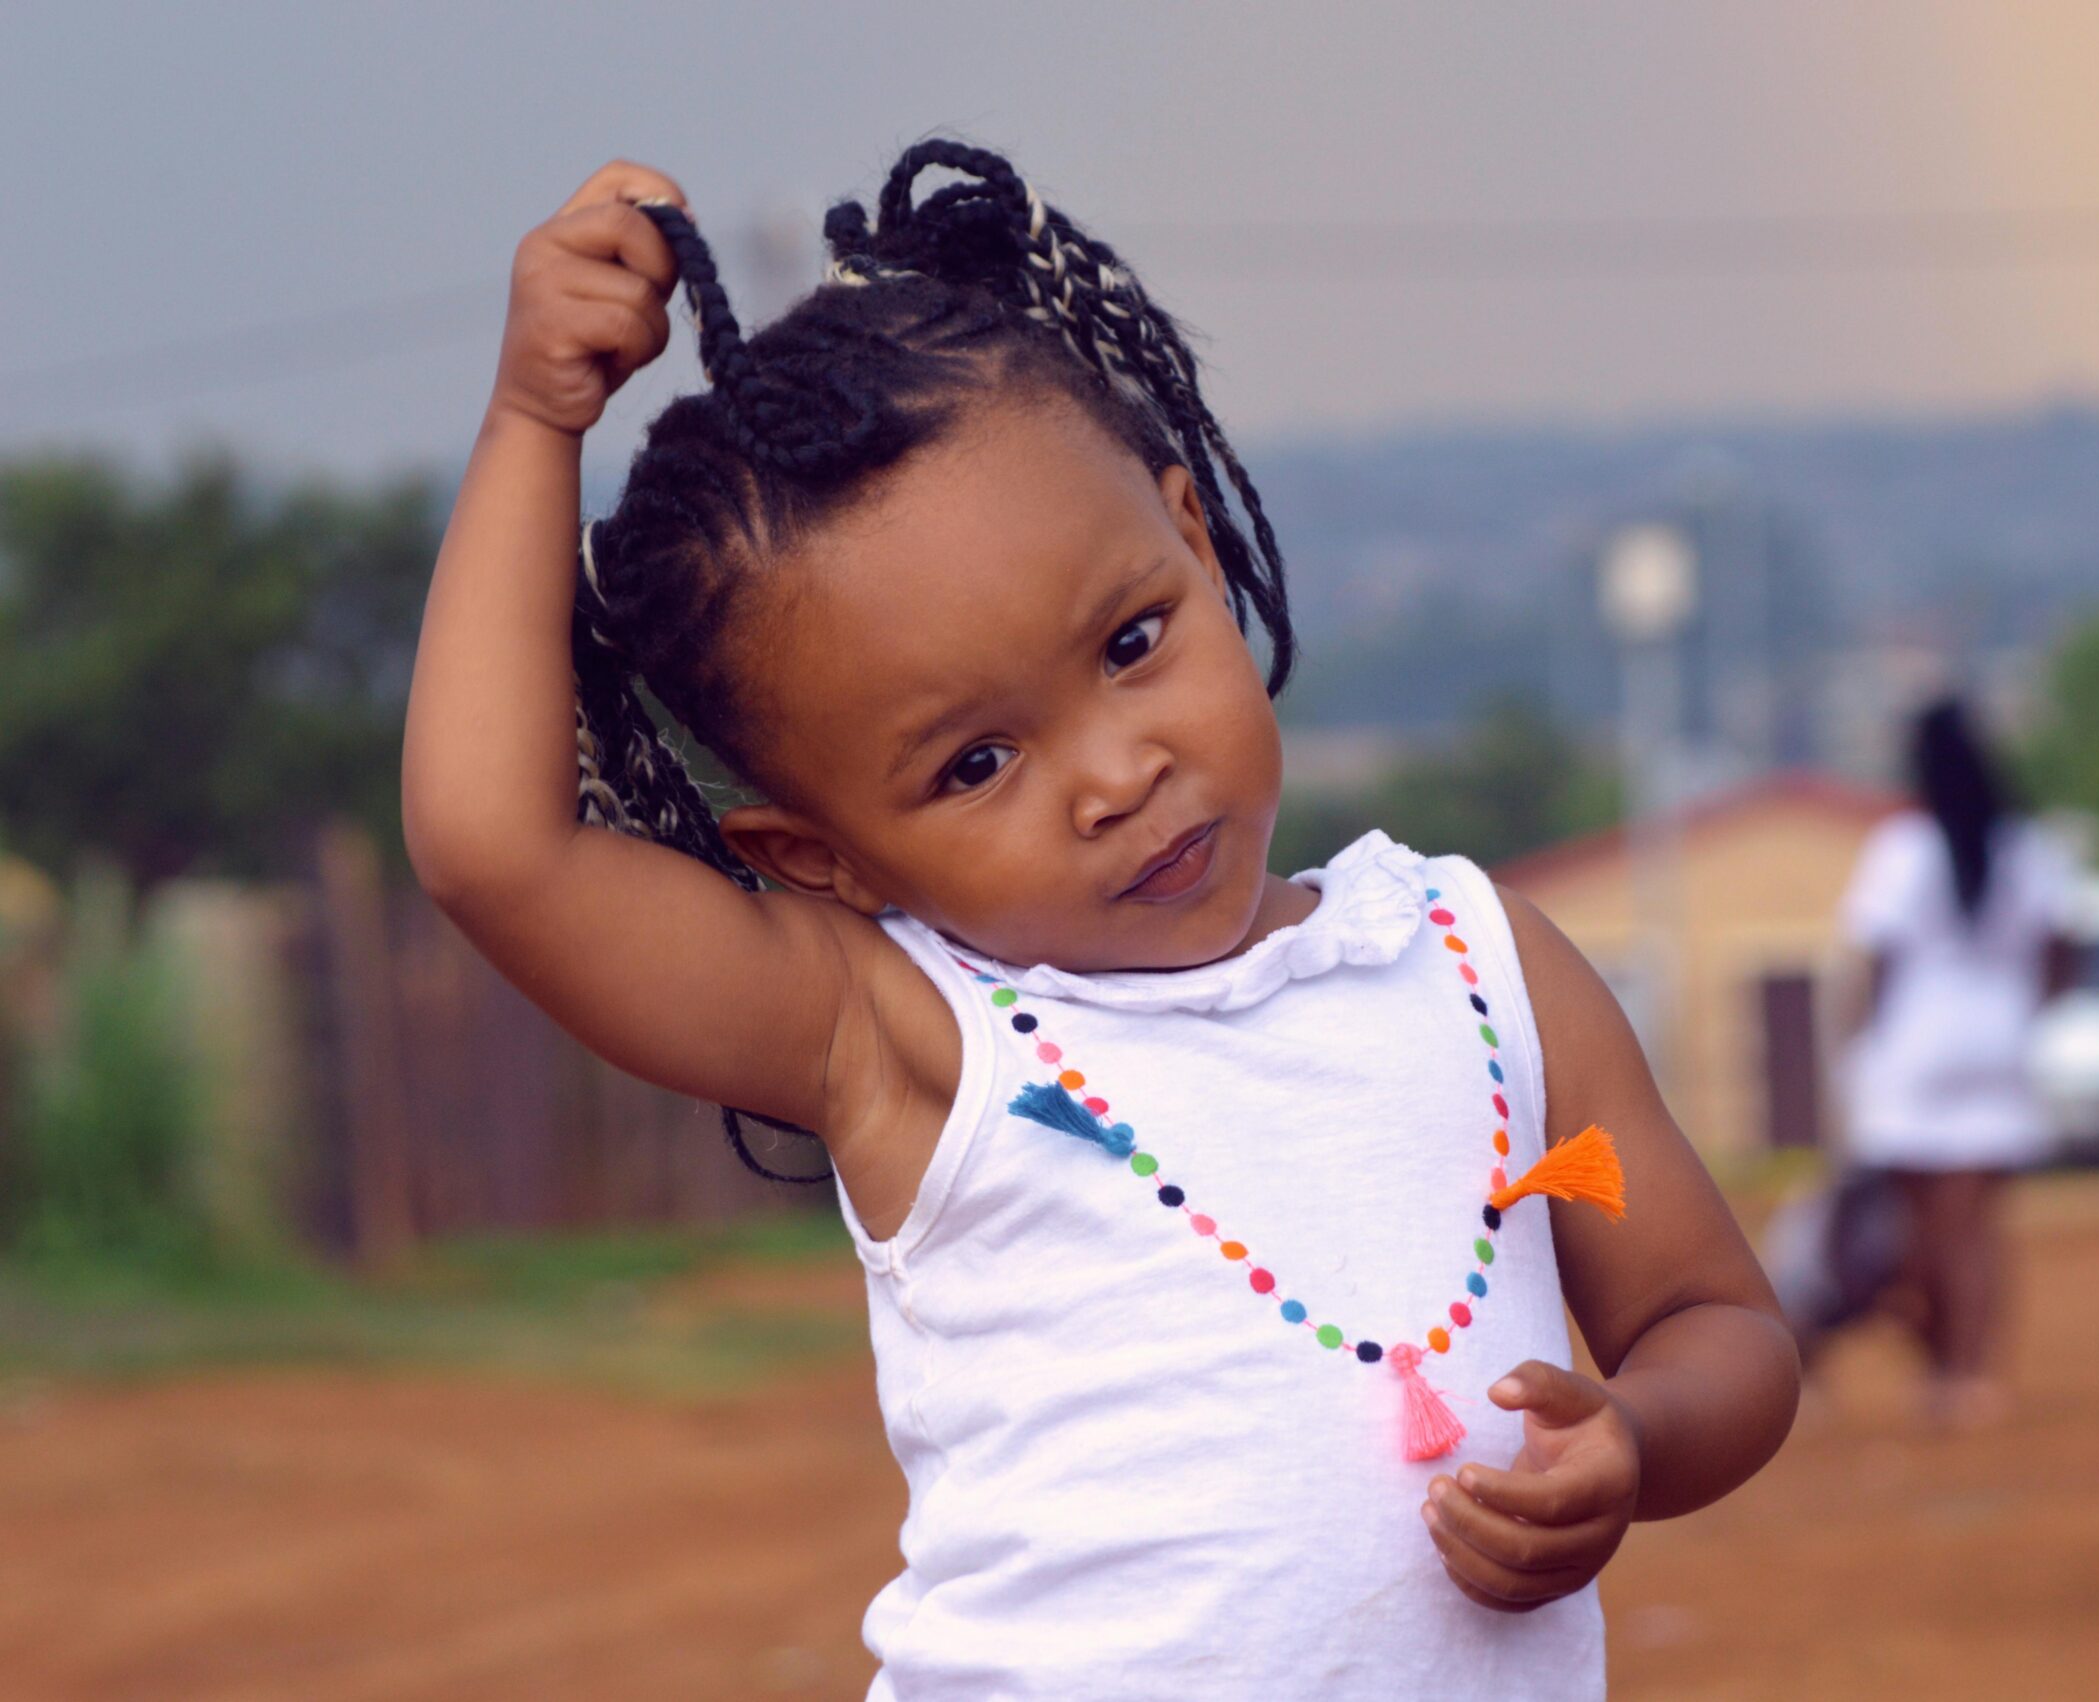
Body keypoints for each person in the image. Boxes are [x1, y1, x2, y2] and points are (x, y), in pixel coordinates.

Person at [402, 146, 1798, 1699]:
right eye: (976, 762)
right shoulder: (914, 1042)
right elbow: (495, 851)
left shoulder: (1482, 971)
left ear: (1196, 543)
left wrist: (1639, 1437)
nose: (1116, 771)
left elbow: (1711, 1317)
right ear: (819, 856)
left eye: (1134, 640)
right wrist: (536, 423)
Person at [1836, 696, 2074, 1430]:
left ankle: (1948, 1370)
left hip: (1917, 1044)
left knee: (1927, 1231)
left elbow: (1873, 962)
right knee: (1977, 1229)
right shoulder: (2028, 848)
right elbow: (2064, 948)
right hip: (1998, 1042)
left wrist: (1856, 1043)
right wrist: (2028, 1010)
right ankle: (1973, 1376)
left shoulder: (1901, 849)